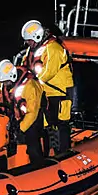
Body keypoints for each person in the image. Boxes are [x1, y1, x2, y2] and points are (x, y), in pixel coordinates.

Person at [16, 19, 75, 155]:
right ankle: (50, 153)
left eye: (29, 41)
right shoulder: (33, 50)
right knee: (46, 125)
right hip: (44, 93)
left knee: (61, 124)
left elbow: (48, 72)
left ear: (37, 36)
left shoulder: (54, 48)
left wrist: (29, 85)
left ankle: (64, 154)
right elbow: (25, 66)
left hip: (59, 92)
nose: (28, 44)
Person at [0, 59, 46, 164]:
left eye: (5, 82)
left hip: (34, 119)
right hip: (18, 118)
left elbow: (32, 112)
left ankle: (39, 165)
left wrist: (21, 129)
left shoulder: (30, 85)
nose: (5, 84)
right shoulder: (9, 86)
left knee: (32, 144)